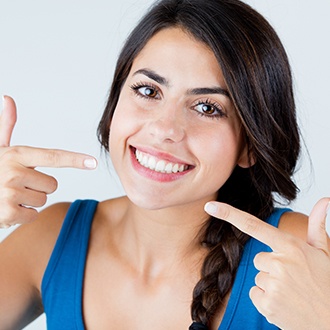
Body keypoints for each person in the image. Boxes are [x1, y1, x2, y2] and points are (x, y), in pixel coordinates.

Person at [0, 0, 329, 329]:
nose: (164, 129)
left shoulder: (295, 253)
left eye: (207, 108)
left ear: (251, 144)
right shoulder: (53, 237)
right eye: (148, 90)